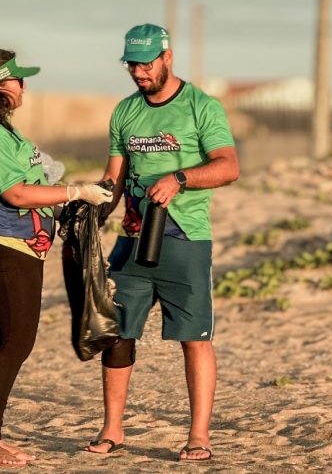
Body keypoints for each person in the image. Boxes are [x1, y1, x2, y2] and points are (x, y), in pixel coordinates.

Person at [84, 24, 239, 462]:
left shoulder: (200, 107)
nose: (138, 72)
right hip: (132, 240)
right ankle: (113, 429)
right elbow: (113, 178)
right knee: (116, 332)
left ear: (167, 56)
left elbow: (228, 167)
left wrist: (181, 178)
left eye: (146, 62)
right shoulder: (125, 112)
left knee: (194, 338)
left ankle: (199, 436)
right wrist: (92, 211)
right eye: (131, 63)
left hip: (185, 238)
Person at [0, 48, 112, 467]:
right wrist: (75, 191)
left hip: (22, 249)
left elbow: (36, 181)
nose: (24, 85)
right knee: (14, 343)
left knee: (5, 342)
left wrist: (73, 204)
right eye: (17, 79)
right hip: (2, 249)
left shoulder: (2, 128)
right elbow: (17, 195)